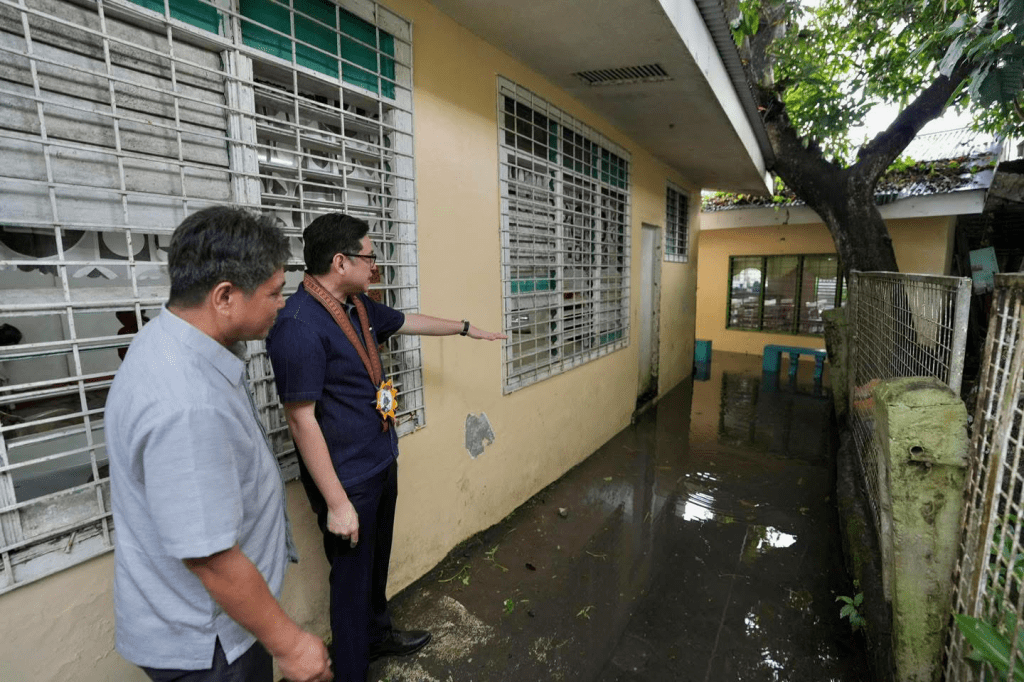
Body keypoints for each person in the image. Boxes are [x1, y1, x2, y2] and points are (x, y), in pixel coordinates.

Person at [266, 213, 505, 682]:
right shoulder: (298, 324)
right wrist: (336, 503)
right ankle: (353, 671)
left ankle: (379, 636)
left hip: (379, 459)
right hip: (346, 479)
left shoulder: (356, 305)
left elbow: (406, 322)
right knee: (351, 583)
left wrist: (465, 328)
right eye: (369, 256)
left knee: (375, 567)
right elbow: (300, 419)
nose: (375, 266)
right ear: (340, 261)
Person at [106, 206, 333, 682]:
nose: (281, 304)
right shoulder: (185, 402)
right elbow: (209, 556)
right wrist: (291, 644)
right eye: (273, 293)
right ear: (225, 296)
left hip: (218, 626)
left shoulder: (174, 342)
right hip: (210, 643)